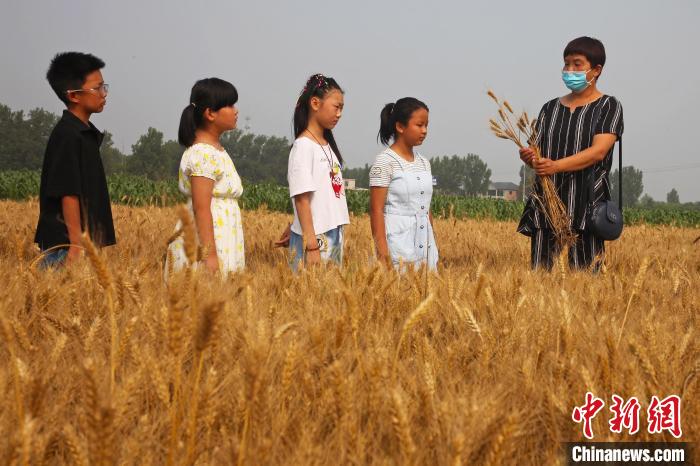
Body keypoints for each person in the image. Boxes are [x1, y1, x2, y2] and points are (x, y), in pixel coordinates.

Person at [518, 36, 624, 271]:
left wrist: (556, 166)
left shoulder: (608, 106)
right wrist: (529, 157)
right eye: (566, 64)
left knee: (586, 278)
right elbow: (536, 148)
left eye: (577, 64)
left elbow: (598, 152)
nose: (569, 70)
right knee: (540, 274)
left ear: (596, 70)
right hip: (548, 200)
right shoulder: (550, 108)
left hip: (587, 202)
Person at [35, 52, 115, 268]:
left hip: (79, 246)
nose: (104, 93)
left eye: (104, 86)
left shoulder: (82, 133)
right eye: (97, 88)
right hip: (65, 249)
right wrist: (76, 245)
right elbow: (68, 192)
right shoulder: (68, 135)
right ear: (74, 96)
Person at [166, 78, 244, 277]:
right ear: (210, 113)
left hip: (224, 236)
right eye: (229, 105)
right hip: (209, 240)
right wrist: (209, 255)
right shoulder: (203, 154)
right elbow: (201, 208)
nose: (236, 110)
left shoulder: (216, 151)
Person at [275, 74, 350, 271]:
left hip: (332, 231)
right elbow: (302, 199)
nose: (339, 114)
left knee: (328, 298)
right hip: (316, 237)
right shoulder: (303, 147)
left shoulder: (326, 145)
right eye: (337, 107)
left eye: (342, 108)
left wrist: (296, 225)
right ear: (315, 103)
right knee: (311, 294)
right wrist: (311, 245)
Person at [369, 97, 438, 270]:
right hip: (398, 244)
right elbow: (376, 210)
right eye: (419, 125)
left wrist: (434, 244)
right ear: (400, 127)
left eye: (426, 125)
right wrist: (382, 255)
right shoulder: (385, 162)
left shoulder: (424, 163)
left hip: (425, 243)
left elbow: (426, 208)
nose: (425, 130)